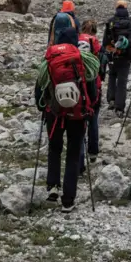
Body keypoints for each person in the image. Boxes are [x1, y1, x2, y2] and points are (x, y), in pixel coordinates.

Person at [34, 37, 100, 212]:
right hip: (77, 115)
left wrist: (44, 108)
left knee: (54, 149)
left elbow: (39, 91)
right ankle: (68, 200)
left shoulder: (49, 61)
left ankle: (52, 188)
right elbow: (92, 92)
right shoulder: (81, 59)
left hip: (54, 114)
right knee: (73, 153)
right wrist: (90, 108)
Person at [101, 0, 131, 115]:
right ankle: (119, 108)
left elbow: (105, 41)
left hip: (113, 54)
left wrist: (108, 51)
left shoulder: (111, 22)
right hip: (126, 56)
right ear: (126, 8)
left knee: (112, 76)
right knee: (122, 82)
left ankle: (111, 100)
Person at [78, 20, 104, 164]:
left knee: (80, 121)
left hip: (78, 83)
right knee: (94, 119)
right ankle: (93, 152)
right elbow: (101, 62)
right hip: (94, 83)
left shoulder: (76, 40)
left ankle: (80, 158)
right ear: (94, 30)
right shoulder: (95, 42)